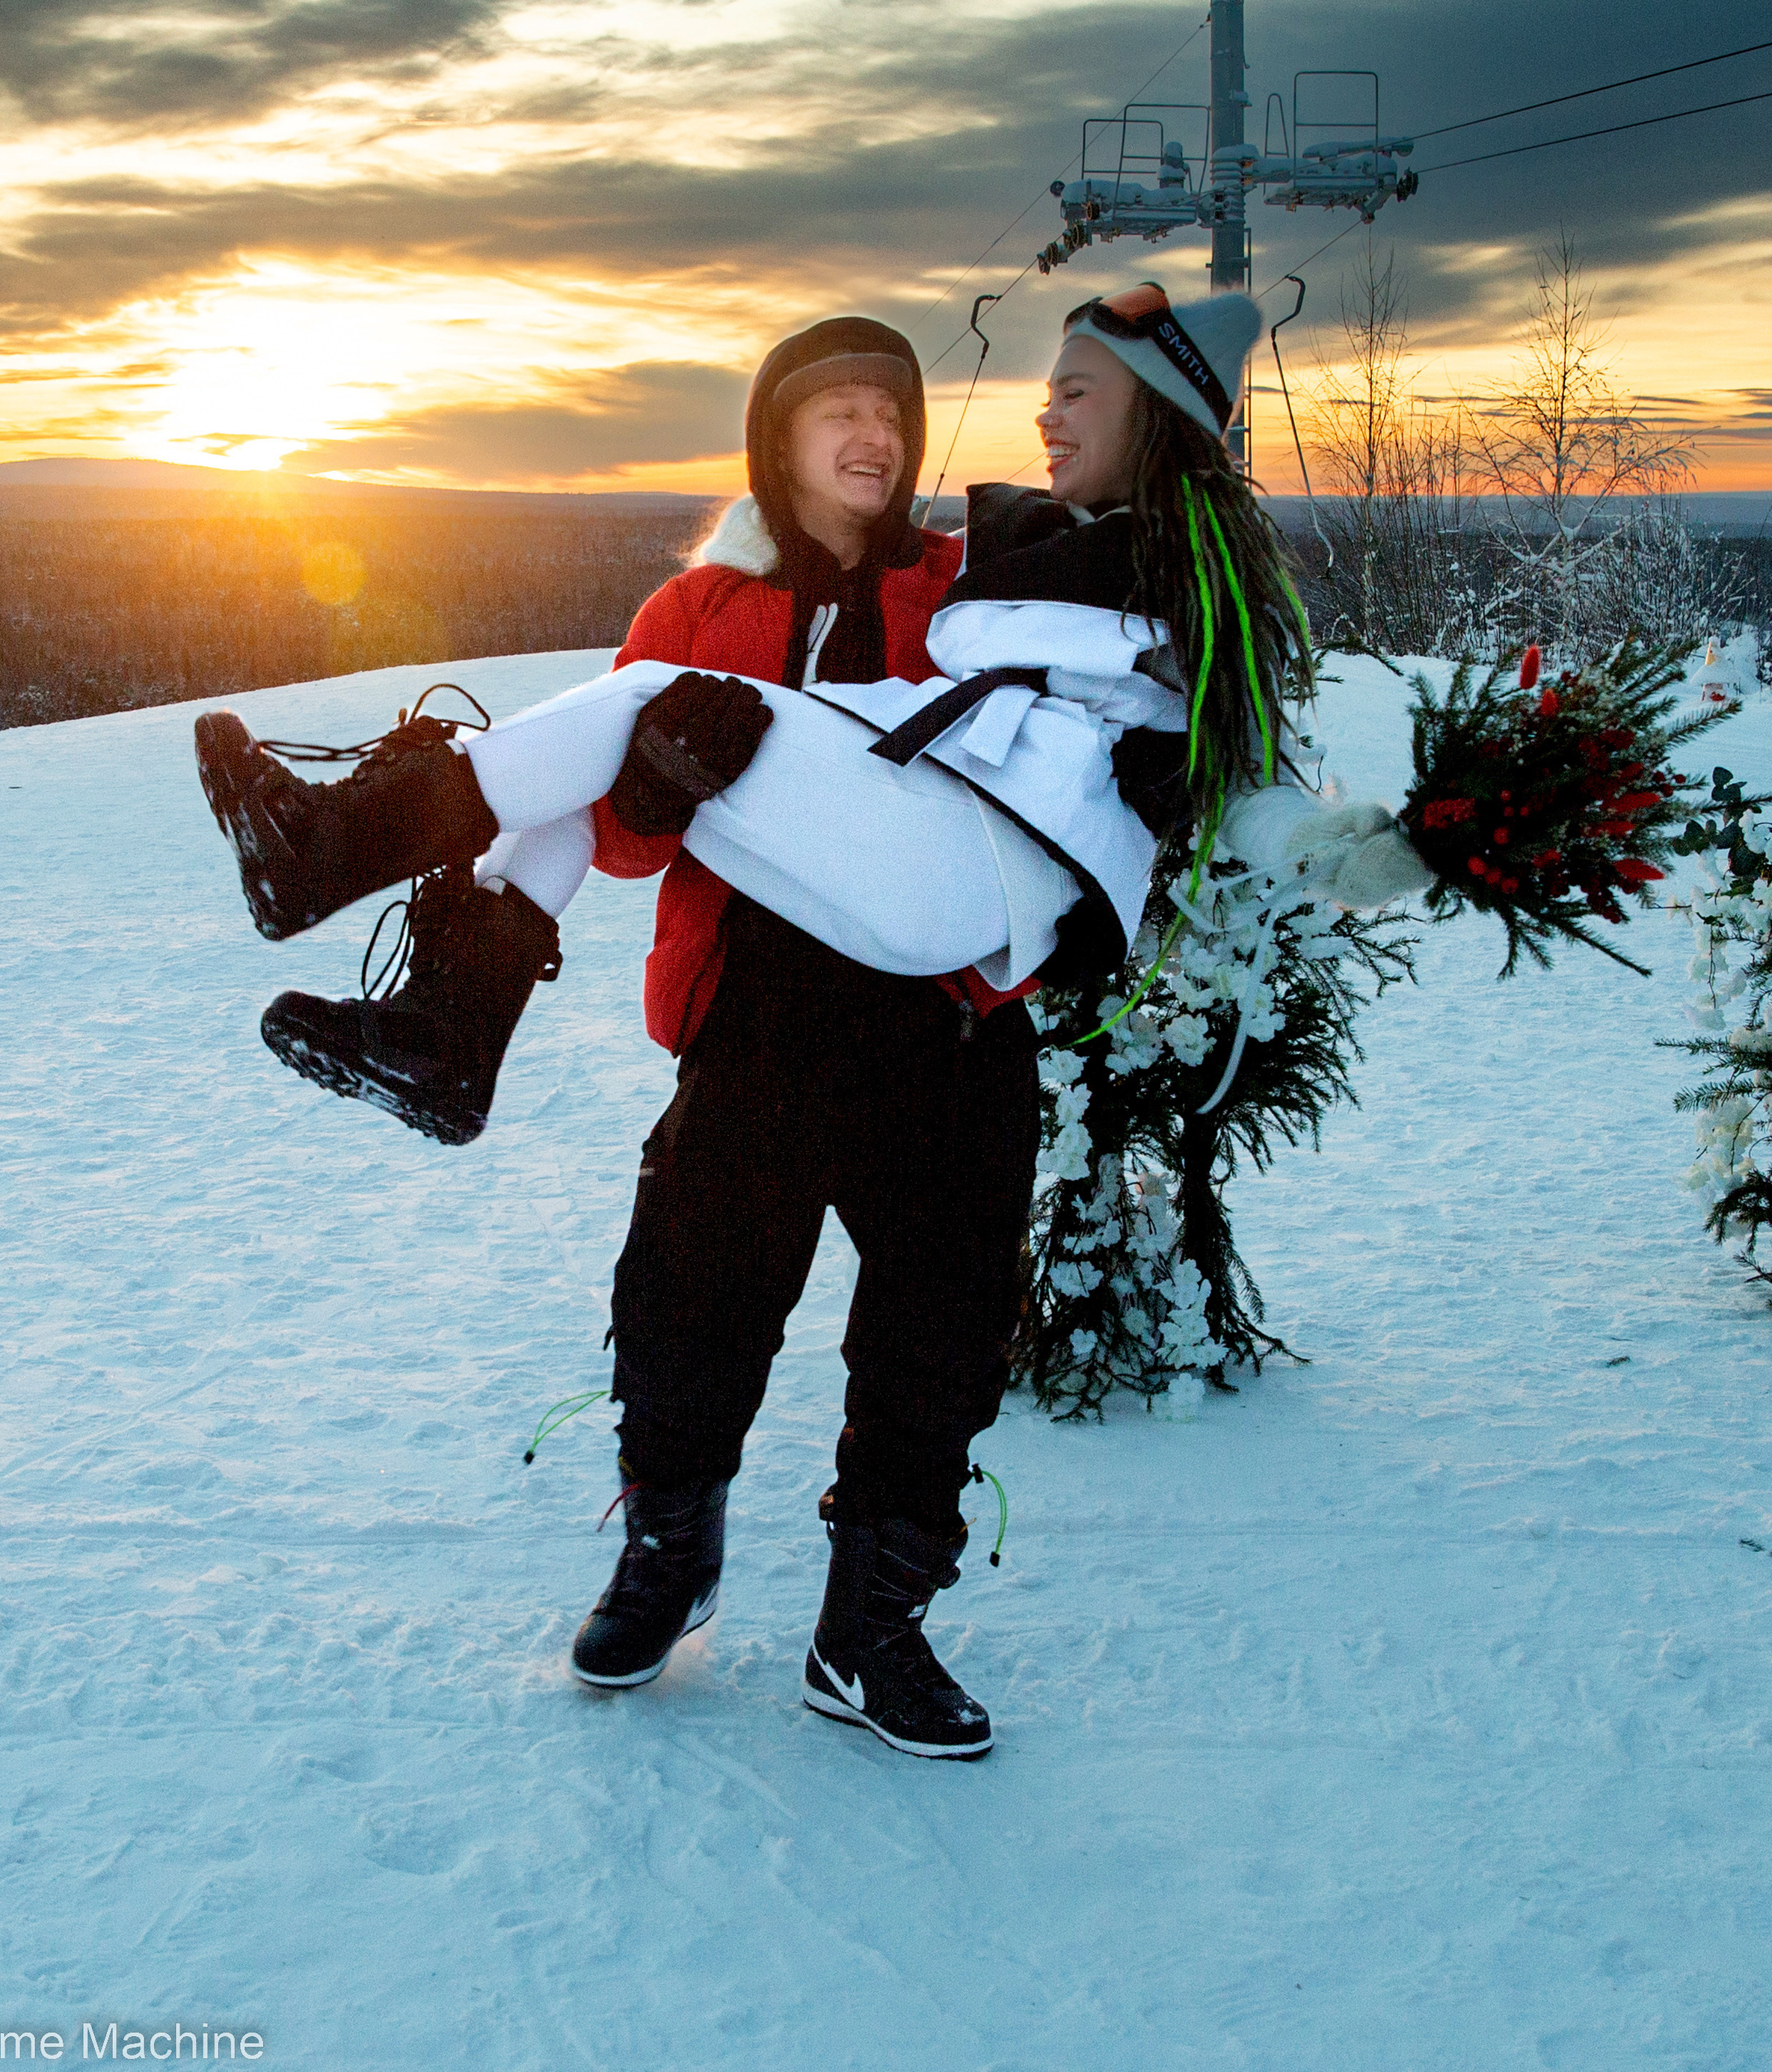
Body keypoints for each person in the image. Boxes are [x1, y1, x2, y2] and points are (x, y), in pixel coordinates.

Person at [192, 290, 1417, 1757]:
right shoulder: (702, 608)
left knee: (938, 1337)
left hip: (945, 1024)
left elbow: (1116, 678)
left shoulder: (971, 580)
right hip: (759, 1012)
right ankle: (664, 1558)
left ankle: (871, 1629)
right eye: (834, 407)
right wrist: (650, 789)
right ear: (775, 439)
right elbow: (626, 842)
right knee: (687, 1302)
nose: (871, 429)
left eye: (889, 410)